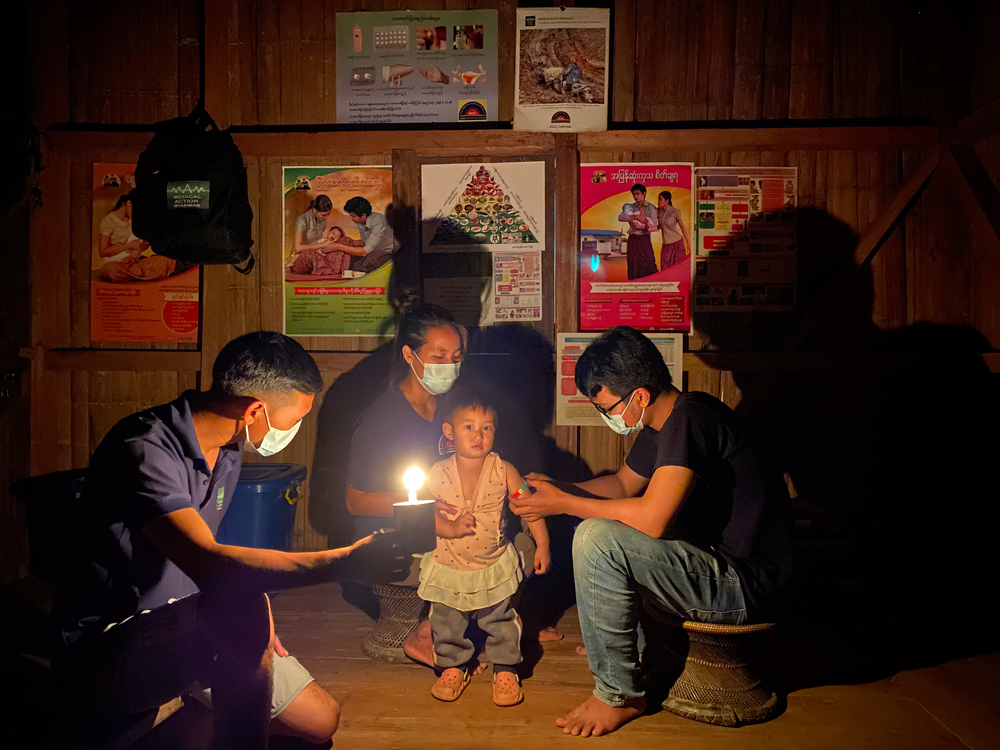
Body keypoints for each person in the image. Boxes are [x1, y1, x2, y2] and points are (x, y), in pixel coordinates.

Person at [57, 331, 410, 750]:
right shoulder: (145, 449)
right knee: (242, 605)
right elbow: (211, 564)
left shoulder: (228, 448)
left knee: (320, 720)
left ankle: (201, 701)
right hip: (114, 640)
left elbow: (217, 552)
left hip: (191, 621)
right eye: (295, 419)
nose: (296, 429)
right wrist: (344, 562)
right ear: (255, 411)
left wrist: (253, 632)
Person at [510, 326, 793, 738]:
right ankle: (622, 650)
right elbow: (622, 485)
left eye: (607, 407)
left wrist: (565, 504)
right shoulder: (665, 423)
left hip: (746, 586)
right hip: (714, 565)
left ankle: (618, 695)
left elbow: (654, 518)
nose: (605, 417)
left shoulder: (691, 419)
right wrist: (559, 489)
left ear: (639, 396)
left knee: (597, 538)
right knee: (602, 525)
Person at [418, 392, 551, 707]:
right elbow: (421, 513)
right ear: (449, 431)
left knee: (501, 620)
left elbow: (529, 506)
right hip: (448, 565)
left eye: (486, 428)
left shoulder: (503, 470)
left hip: (493, 565)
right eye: (469, 427)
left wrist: (543, 543)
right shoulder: (437, 473)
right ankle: (453, 666)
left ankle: (505, 669)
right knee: (447, 623)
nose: (478, 435)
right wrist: (448, 528)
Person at [97, 192, 176, 283]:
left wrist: (138, 250)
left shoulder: (135, 219)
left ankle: (137, 274)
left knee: (166, 261)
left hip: (136, 261)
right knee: (111, 270)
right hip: (118, 263)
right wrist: (129, 246)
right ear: (129, 204)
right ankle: (143, 274)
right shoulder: (108, 220)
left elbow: (147, 239)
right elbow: (103, 251)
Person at [335, 196, 397, 274]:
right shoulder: (361, 222)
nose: (352, 219)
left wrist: (338, 246)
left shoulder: (378, 222)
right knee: (348, 258)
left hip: (387, 254)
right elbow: (365, 242)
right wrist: (351, 242)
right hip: (373, 252)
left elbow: (365, 251)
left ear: (363, 215)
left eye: (353, 216)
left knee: (370, 259)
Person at [617, 184, 659, 280]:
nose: (635, 196)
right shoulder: (630, 207)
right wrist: (635, 217)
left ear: (644, 194)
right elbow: (620, 217)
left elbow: (654, 226)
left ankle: (650, 284)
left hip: (644, 239)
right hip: (632, 239)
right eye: (633, 194)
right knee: (632, 263)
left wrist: (641, 227)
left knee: (648, 263)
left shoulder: (651, 207)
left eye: (637, 194)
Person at [286, 224, 351, 276]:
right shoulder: (322, 240)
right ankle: (289, 263)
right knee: (297, 254)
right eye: (333, 233)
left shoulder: (334, 245)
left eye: (337, 236)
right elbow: (314, 246)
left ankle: (289, 264)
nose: (334, 236)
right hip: (314, 252)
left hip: (320, 256)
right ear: (328, 233)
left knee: (299, 255)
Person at [656, 190, 691, 270]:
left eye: (660, 199)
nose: (658, 201)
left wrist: (688, 243)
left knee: (678, 269)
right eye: (658, 199)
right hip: (665, 244)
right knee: (665, 268)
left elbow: (683, 228)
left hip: (676, 243)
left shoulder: (675, 211)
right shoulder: (659, 211)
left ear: (667, 201)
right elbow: (660, 225)